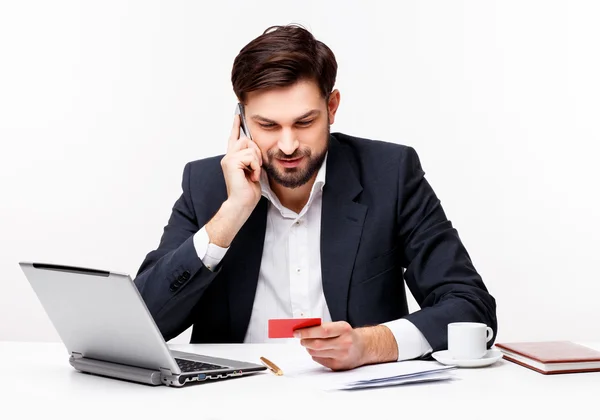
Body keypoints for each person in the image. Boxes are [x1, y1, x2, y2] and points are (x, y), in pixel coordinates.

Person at [134, 24, 497, 371]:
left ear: (332, 107)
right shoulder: (206, 185)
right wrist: (230, 215)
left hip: (359, 397)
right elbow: (140, 326)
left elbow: (471, 308)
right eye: (268, 126)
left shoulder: (391, 174)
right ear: (241, 120)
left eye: (304, 122)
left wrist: (371, 344)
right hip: (235, 400)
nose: (288, 145)